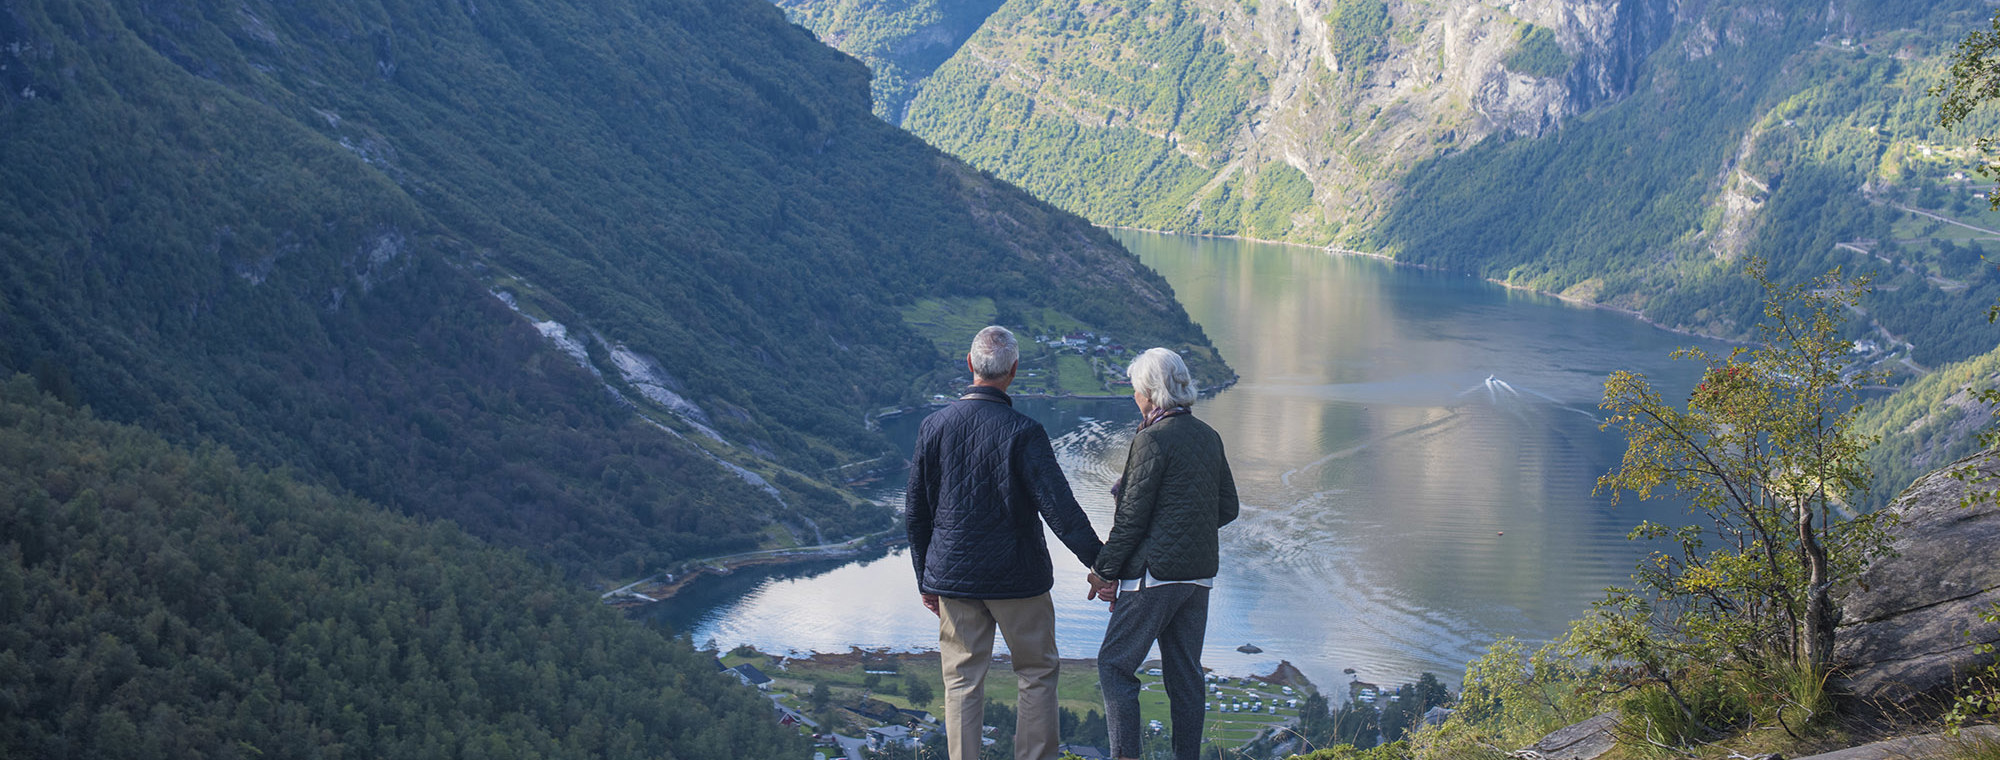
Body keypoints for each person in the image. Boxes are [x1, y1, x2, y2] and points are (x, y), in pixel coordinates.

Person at [906, 325, 1108, 760]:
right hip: (1019, 578)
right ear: (1013, 370)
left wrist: (925, 578)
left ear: (970, 365)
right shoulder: (1025, 432)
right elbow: (1060, 509)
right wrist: (1102, 563)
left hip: (953, 579)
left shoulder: (933, 427)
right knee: (1035, 673)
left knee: (961, 680)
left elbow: (917, 513)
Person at [1089, 347, 1239, 760]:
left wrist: (1103, 572)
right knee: (1186, 676)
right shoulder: (1209, 436)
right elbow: (1228, 508)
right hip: (1198, 578)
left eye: (1137, 389)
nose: (1135, 397)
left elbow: (1132, 521)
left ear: (1151, 393)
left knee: (1115, 666)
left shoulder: (1152, 439)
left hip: (1154, 578)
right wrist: (1185, 532)